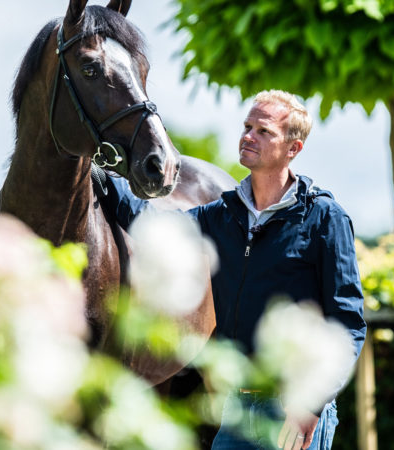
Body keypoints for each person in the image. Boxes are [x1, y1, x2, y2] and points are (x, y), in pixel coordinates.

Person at [101, 90, 366, 450]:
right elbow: (154, 226)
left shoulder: (324, 218)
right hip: (236, 408)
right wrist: (103, 174)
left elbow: (348, 323)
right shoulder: (223, 214)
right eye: (246, 126)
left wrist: (311, 404)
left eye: (263, 131)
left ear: (293, 149)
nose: (248, 136)